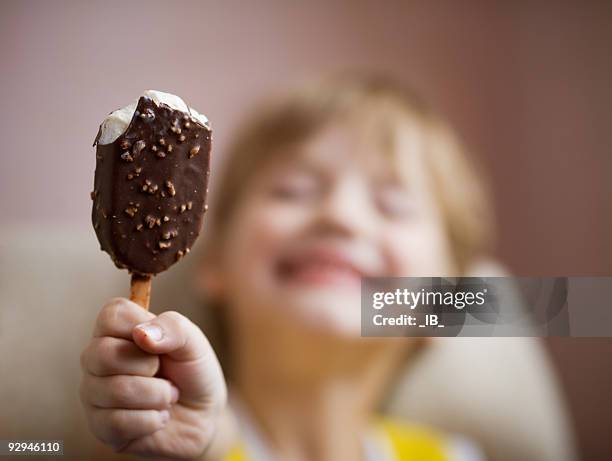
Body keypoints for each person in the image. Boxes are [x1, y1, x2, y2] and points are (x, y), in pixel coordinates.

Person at [80, 75, 493, 461]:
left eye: (392, 206)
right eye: (293, 192)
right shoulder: (168, 441)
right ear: (215, 260)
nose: (340, 214)